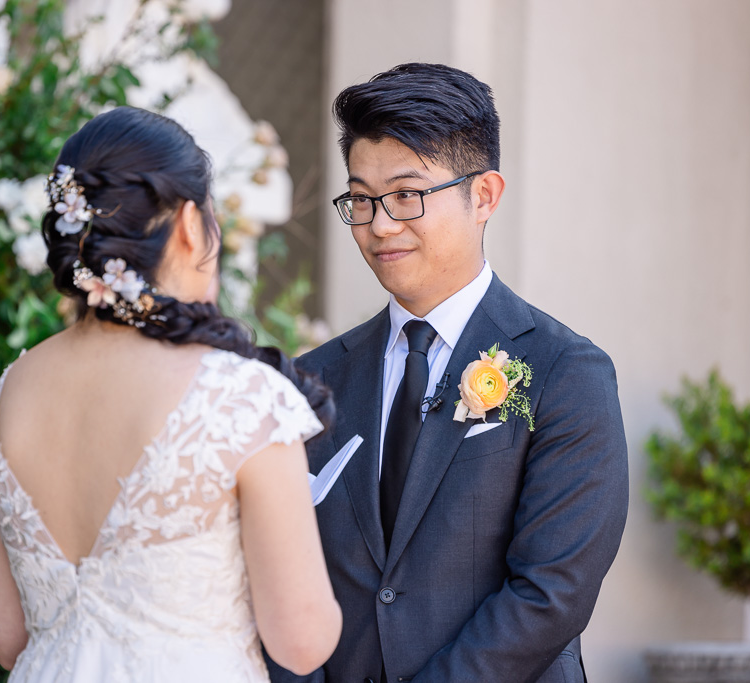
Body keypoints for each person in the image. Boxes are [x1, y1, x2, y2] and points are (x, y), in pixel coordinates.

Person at [268, 63, 629, 683]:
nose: (380, 224)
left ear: (483, 195)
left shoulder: (564, 371)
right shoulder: (311, 379)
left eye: (408, 195)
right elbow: (285, 576)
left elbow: (551, 593)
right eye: (360, 199)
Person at [0, 106, 342, 682]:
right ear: (191, 223)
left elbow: (11, 639)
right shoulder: (239, 398)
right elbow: (302, 640)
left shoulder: (2, 402)